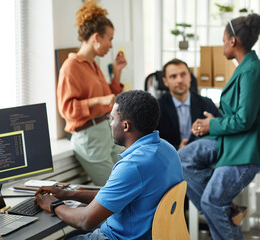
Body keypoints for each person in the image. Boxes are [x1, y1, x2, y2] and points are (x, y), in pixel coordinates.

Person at [178, 13, 260, 240]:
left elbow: (244, 120)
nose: (222, 44)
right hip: (236, 140)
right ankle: (224, 209)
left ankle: (218, 208)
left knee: (211, 201)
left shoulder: (252, 70)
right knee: (183, 158)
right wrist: (212, 121)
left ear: (232, 41)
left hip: (249, 146)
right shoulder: (246, 68)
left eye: (223, 39)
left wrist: (211, 124)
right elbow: (240, 113)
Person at [34, 90, 183, 240]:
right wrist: (68, 194)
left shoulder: (132, 165)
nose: (110, 124)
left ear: (125, 125)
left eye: (112, 119)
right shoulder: (167, 149)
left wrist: (54, 205)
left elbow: (84, 220)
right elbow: (113, 196)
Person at [57, 0, 127, 186]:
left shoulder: (93, 65)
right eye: (109, 39)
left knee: (127, 182)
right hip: (89, 136)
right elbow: (67, 110)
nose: (111, 45)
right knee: (112, 190)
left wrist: (118, 71)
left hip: (105, 131)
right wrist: (98, 100)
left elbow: (108, 99)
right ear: (96, 37)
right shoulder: (71, 67)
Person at [157, 58, 221, 150]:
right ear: (165, 81)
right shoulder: (157, 108)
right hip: (170, 157)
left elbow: (220, 134)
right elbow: (152, 141)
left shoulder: (206, 103)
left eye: (183, 74)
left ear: (190, 77)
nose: (179, 80)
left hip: (202, 156)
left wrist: (214, 124)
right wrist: (177, 148)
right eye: (173, 76)